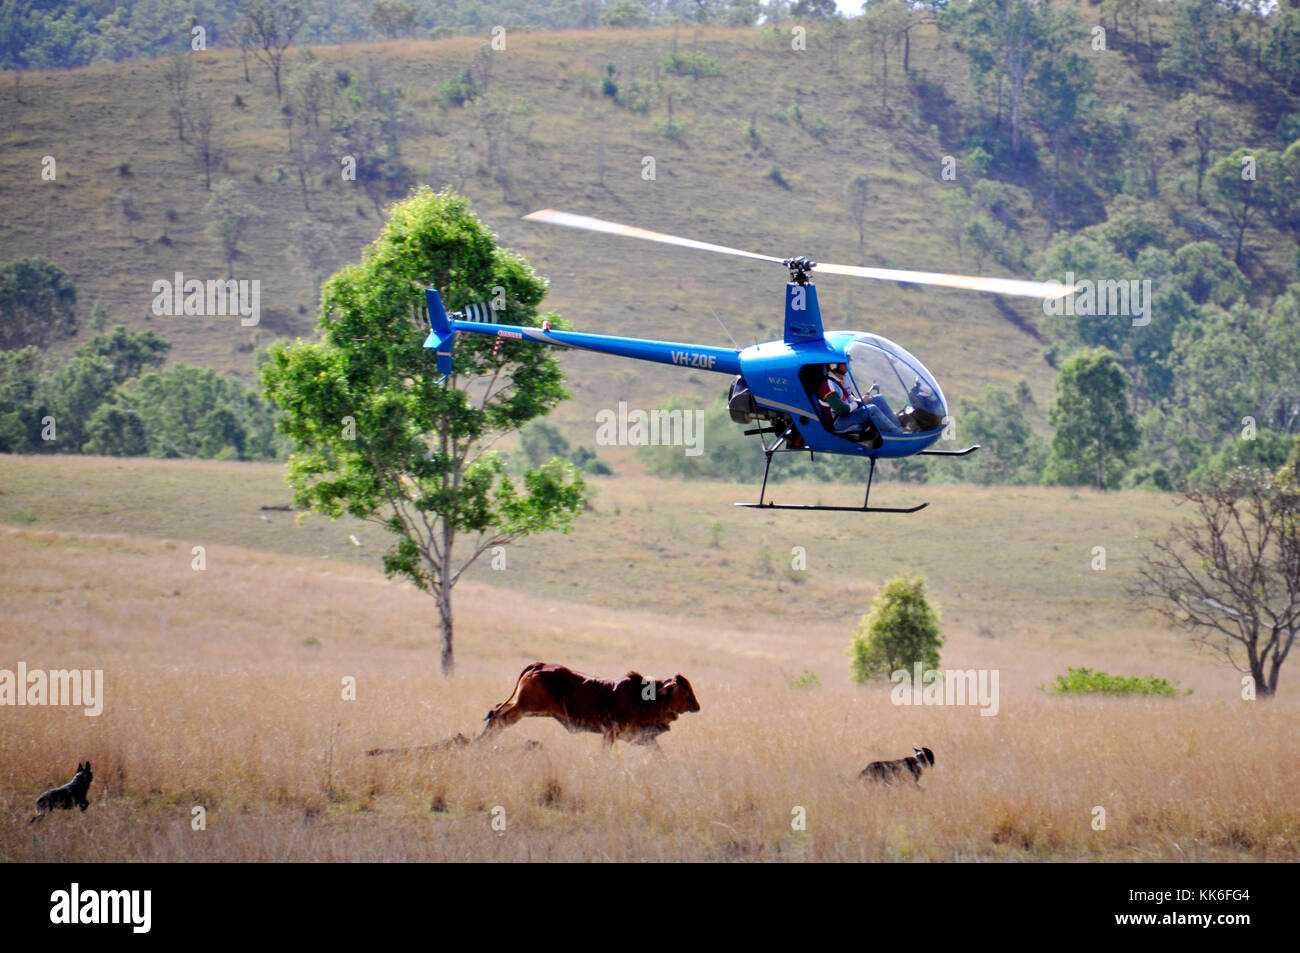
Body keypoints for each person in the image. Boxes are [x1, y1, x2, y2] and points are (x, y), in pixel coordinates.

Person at [816, 362, 901, 437]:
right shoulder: (827, 385)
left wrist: (861, 400)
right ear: (834, 364)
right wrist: (860, 402)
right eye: (844, 361)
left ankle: (899, 428)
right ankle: (897, 435)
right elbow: (842, 410)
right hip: (838, 422)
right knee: (871, 409)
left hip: (848, 413)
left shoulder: (844, 378)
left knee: (878, 398)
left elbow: (849, 397)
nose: (848, 363)